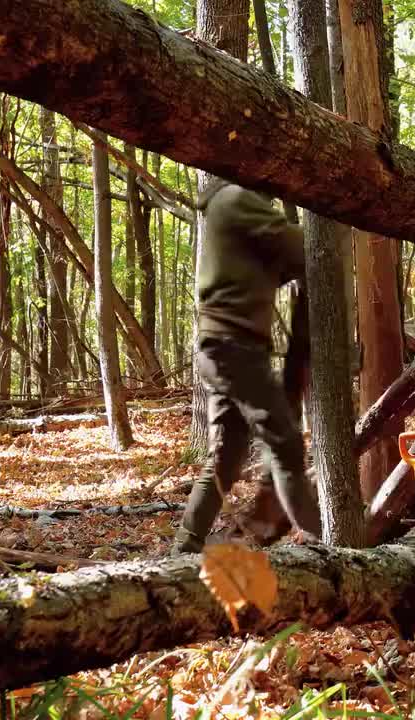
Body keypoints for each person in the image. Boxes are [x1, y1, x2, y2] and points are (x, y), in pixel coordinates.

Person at [173, 178, 321, 554]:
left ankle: (184, 549)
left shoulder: (232, 205)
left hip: (221, 350)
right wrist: (326, 228)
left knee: (226, 455)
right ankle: (329, 546)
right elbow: (304, 247)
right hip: (235, 349)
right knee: (285, 444)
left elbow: (277, 261)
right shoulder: (236, 198)